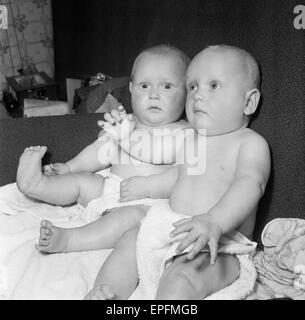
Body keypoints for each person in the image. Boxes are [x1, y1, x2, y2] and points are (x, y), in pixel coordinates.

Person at [84, 44, 271, 300]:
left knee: (182, 278)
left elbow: (251, 183)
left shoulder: (249, 143)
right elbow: (180, 176)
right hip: (170, 226)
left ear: (248, 102)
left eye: (213, 85)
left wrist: (215, 220)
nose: (198, 95)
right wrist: (148, 186)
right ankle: (107, 293)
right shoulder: (193, 139)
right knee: (130, 241)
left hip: (220, 242)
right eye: (192, 86)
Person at [16, 44, 191, 253]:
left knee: (130, 219)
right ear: (131, 89)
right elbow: (99, 150)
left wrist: (127, 142)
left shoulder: (185, 133)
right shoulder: (126, 122)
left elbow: (167, 160)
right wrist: (71, 167)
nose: (154, 94)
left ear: (188, 92)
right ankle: (35, 185)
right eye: (144, 86)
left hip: (146, 202)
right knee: (81, 182)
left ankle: (71, 239)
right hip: (108, 189)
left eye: (167, 86)